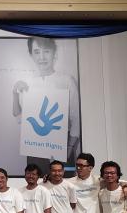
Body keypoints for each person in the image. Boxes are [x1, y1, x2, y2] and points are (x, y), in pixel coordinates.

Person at [12, 36, 81, 167]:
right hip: (34, 148)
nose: (42, 57)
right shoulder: (26, 83)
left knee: (62, 186)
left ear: (54, 53)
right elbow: (19, 117)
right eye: (37, 52)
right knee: (36, 186)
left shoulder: (66, 80)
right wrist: (14, 92)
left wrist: (69, 148)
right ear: (31, 55)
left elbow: (76, 118)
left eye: (46, 51)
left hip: (62, 148)